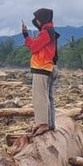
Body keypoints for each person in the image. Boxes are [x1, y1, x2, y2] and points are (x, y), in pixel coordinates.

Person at [22, 7, 59, 136]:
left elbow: (33, 47)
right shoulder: (49, 30)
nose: (36, 22)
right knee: (48, 97)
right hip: (49, 67)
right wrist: (27, 34)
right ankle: (50, 124)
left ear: (42, 19)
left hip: (42, 67)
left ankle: (43, 124)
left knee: (40, 97)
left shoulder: (45, 32)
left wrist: (26, 36)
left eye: (38, 19)